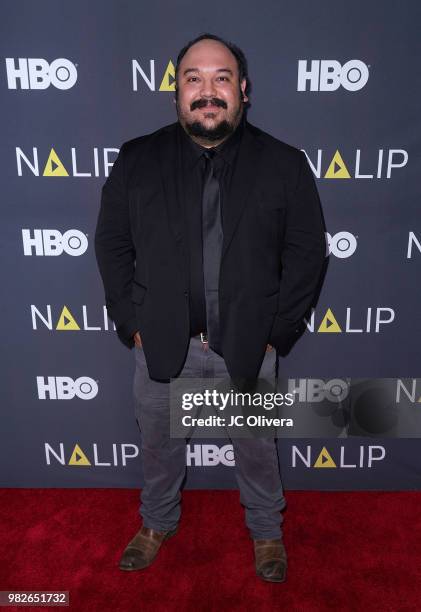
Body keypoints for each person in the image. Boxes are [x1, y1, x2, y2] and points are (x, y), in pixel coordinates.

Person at [94, 33, 326, 584]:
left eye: (221, 77)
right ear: (175, 93)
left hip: (246, 346)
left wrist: (277, 334)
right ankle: (156, 523)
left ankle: (267, 532)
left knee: (256, 453)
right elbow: (112, 244)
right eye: (193, 79)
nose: (207, 91)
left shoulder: (284, 164)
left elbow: (307, 254)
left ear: (242, 89)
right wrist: (133, 324)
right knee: (159, 450)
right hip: (162, 343)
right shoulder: (137, 159)